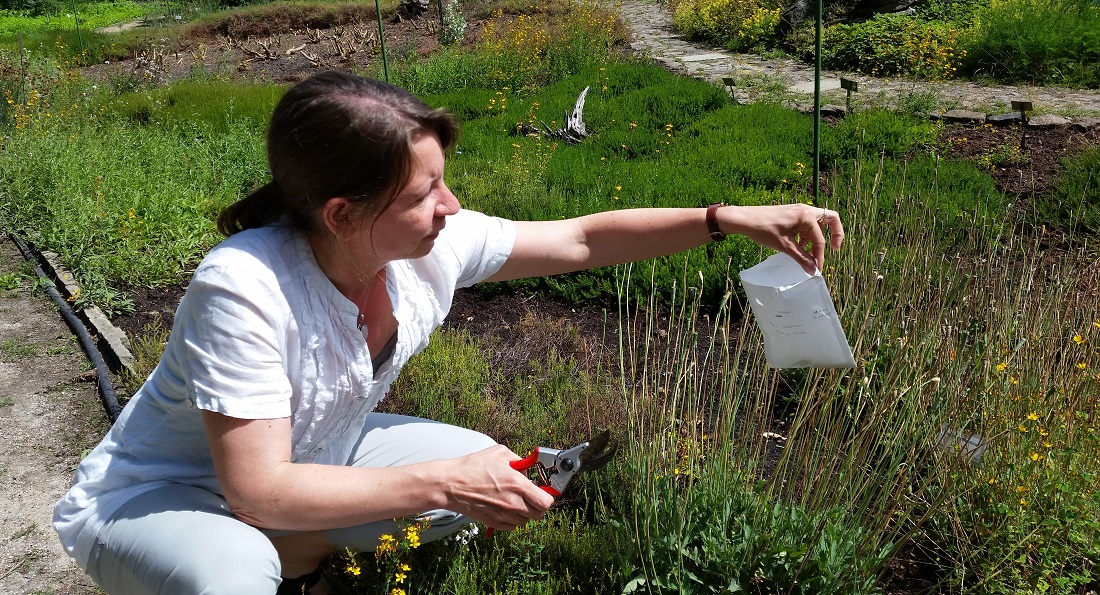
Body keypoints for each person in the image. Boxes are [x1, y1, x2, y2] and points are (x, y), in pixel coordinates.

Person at [53, 70, 844, 594]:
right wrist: (441, 479)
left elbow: (582, 240)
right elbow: (255, 486)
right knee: (231, 573)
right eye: (428, 189)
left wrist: (723, 219)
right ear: (343, 213)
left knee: (489, 475)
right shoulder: (246, 285)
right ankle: (273, 560)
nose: (453, 205)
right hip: (158, 495)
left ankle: (308, 557)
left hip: (310, 455)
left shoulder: (422, 248)